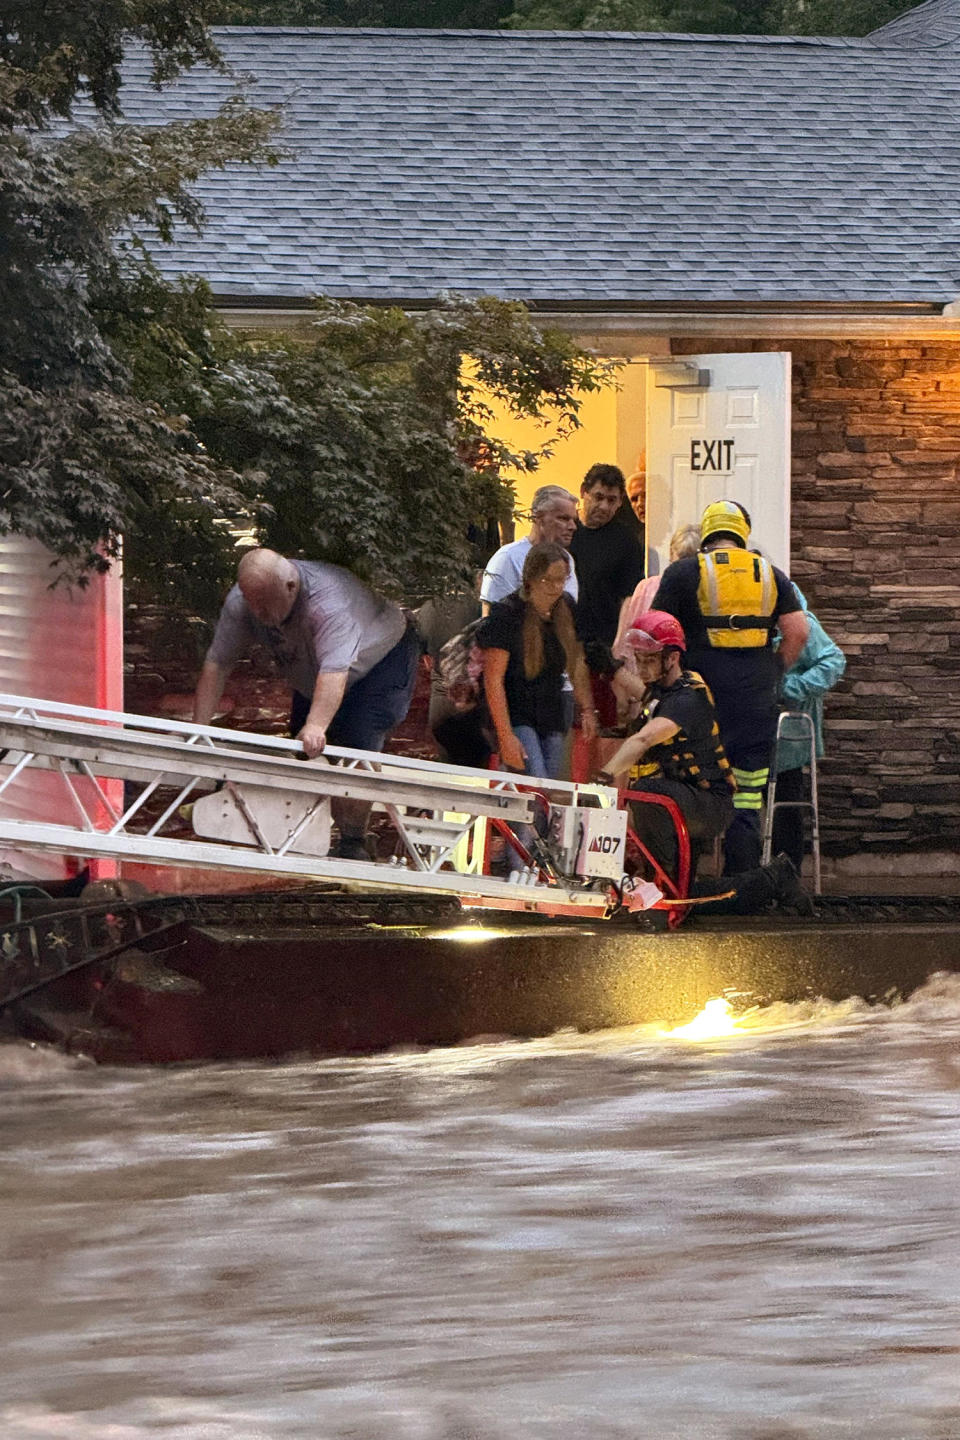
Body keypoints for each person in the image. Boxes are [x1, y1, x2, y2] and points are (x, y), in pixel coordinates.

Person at [193, 548, 420, 860]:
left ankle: (353, 842)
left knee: (354, 742)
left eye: (266, 605)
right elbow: (217, 665)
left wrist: (316, 726)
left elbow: (334, 672)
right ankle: (301, 837)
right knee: (301, 752)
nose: (259, 614)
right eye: (252, 603)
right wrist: (198, 732)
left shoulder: (329, 603)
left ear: (290, 587)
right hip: (315, 669)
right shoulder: (242, 603)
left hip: (380, 661)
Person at [594, 612, 812, 917]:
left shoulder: (687, 701)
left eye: (648, 660)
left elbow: (642, 740)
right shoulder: (668, 689)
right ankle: (772, 879)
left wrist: (603, 777)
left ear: (671, 659)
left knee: (647, 795)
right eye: (638, 660)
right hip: (688, 799)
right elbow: (643, 693)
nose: (641, 668)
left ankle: (671, 888)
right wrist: (610, 668)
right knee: (686, 897)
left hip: (707, 804)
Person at [652, 500, 809, 875]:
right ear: (742, 532)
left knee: (689, 787)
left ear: (707, 534)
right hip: (755, 701)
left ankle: (683, 881)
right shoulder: (772, 575)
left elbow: (656, 632)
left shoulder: (684, 572)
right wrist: (773, 669)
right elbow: (799, 632)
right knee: (748, 793)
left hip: (699, 702)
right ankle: (742, 881)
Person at [477, 542, 597, 780]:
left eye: (561, 580)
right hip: (516, 712)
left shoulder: (566, 609)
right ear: (530, 579)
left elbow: (576, 663)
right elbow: (493, 680)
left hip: (551, 712)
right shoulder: (507, 615)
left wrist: (587, 709)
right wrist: (505, 735)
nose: (555, 588)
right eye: (548, 580)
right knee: (536, 784)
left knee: (550, 789)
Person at [771, 592, 846, 873]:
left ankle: (786, 871)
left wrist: (790, 689)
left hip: (790, 732)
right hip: (759, 725)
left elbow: (833, 661)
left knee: (786, 800)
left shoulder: (802, 623)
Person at [416, 579, 491, 769]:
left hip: (440, 698)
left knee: (446, 770)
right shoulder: (479, 609)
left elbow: (425, 657)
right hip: (472, 701)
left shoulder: (427, 608)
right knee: (477, 772)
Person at [569, 464, 646, 648]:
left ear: (620, 502)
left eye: (611, 500)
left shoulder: (626, 541)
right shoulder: (566, 530)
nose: (604, 506)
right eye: (598, 497)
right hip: (564, 636)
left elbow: (628, 596)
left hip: (604, 639)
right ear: (583, 492)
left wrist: (621, 640)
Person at [480, 485, 579, 613]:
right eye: (563, 518)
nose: (572, 526)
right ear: (538, 518)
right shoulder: (508, 558)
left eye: (573, 520)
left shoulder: (567, 559)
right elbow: (489, 620)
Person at [614, 523, 701, 658]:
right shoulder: (647, 587)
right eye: (681, 562)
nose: (684, 569)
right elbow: (629, 641)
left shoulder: (708, 592)